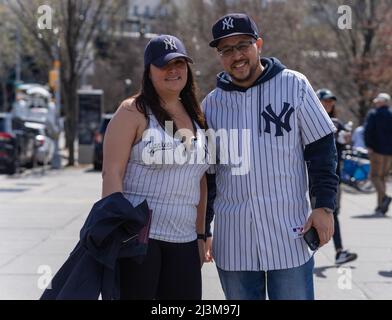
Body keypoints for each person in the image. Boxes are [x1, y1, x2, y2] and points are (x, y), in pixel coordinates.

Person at [202, 13, 339, 300]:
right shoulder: (211, 105)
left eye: (243, 45)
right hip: (234, 238)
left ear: (259, 44)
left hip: (289, 234)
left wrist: (324, 207)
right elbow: (208, 177)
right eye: (226, 49)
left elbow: (322, 149)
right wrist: (204, 230)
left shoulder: (294, 85)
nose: (236, 55)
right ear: (219, 56)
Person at [102, 34, 210, 299]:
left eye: (180, 63)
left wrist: (200, 235)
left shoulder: (197, 115)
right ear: (148, 72)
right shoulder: (133, 112)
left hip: (184, 240)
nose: (174, 70)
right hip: (139, 241)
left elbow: (201, 180)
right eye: (164, 65)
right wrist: (115, 233)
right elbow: (111, 173)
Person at [316, 89, 358, 265]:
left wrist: (345, 139)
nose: (329, 104)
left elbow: (342, 144)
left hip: (333, 177)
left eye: (331, 101)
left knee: (331, 213)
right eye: (325, 101)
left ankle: (339, 252)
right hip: (309, 178)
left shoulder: (337, 124)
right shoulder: (309, 120)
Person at [364, 93, 392, 215]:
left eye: (378, 101)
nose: (376, 103)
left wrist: (369, 145)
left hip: (376, 151)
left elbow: (368, 131)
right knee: (382, 177)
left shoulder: (373, 114)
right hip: (390, 153)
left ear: (383, 102)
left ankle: (385, 198)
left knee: (375, 176)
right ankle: (381, 206)